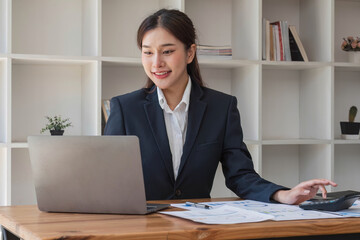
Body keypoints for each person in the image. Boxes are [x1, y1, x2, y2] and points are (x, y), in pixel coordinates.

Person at [104, 9, 337, 204]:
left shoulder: (222, 107)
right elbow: (107, 181)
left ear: (190, 53)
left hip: (199, 228)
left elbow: (240, 175)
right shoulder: (124, 108)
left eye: (167, 51)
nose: (156, 63)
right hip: (141, 228)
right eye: (147, 52)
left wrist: (283, 194)